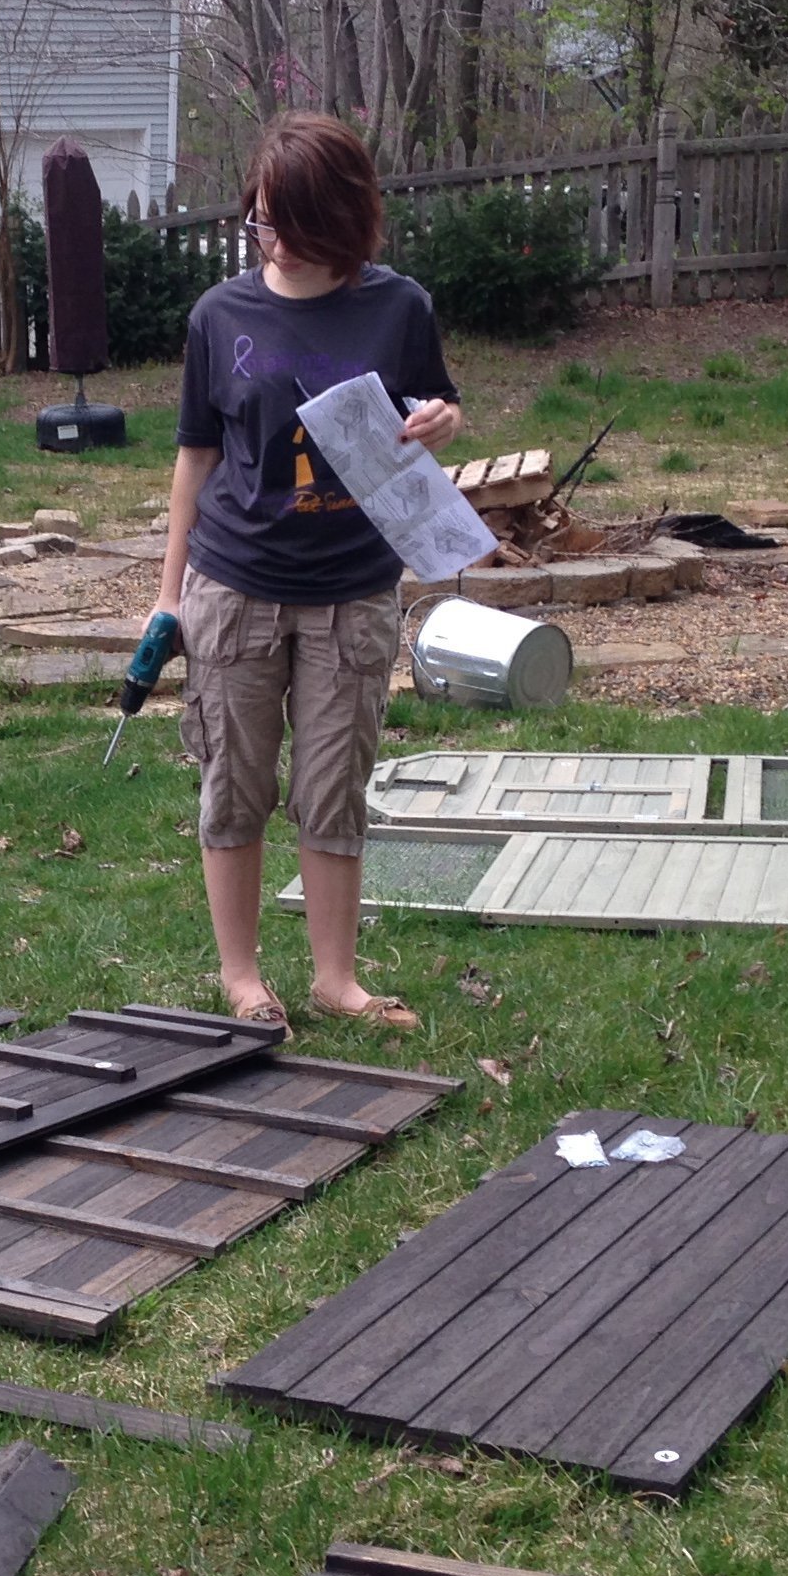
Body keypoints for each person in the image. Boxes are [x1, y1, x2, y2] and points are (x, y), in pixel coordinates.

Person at [149, 111, 463, 1030]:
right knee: (233, 781)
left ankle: (337, 980)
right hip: (235, 588)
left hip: (351, 594)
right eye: (259, 219)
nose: (270, 239)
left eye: (288, 221)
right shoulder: (220, 315)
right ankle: (242, 979)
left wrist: (443, 419)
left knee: (333, 788)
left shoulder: (396, 307)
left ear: (341, 219)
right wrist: (168, 598)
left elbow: (431, 408)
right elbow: (194, 462)